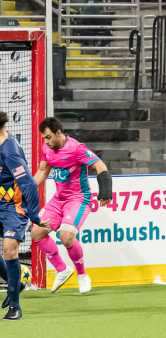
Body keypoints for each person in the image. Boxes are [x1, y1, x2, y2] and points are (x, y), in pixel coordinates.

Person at [0, 109, 49, 321]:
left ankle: (15, 306)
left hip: (13, 208)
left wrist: (34, 215)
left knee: (9, 251)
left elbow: (30, 185)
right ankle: (17, 283)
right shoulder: (0, 142)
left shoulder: (10, 152)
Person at [32, 117, 112, 294]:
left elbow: (100, 165)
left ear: (59, 133)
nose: (45, 141)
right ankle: (62, 269)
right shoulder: (47, 147)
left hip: (78, 199)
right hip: (58, 200)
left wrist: (105, 191)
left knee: (66, 236)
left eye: (48, 137)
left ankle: (82, 276)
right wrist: (25, 189)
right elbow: (43, 171)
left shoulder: (77, 148)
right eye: (44, 138)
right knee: (36, 233)